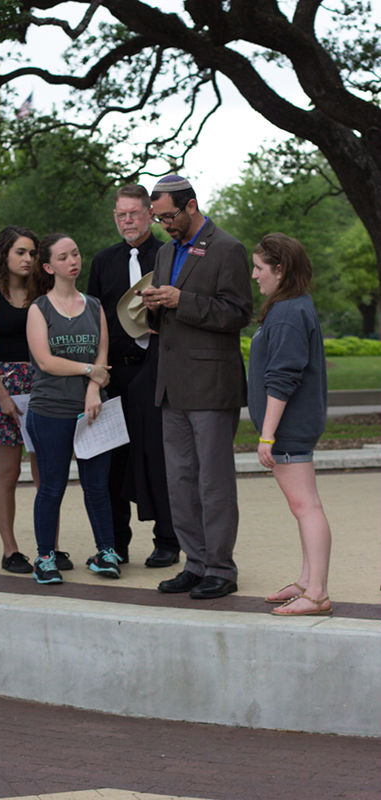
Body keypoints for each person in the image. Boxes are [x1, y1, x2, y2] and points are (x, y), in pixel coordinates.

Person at [141, 174, 252, 599]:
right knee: (181, 480)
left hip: (211, 384)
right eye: (157, 218)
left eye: (167, 216)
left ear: (190, 206)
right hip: (172, 385)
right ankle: (196, 562)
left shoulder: (228, 248)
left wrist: (179, 301)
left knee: (214, 482)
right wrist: (153, 307)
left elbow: (238, 313)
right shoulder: (167, 252)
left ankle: (221, 569)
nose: (162, 225)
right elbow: (166, 317)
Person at [88, 184, 179, 567]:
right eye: (120, 215)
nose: (127, 221)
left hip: (157, 371)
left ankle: (168, 541)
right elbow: (94, 318)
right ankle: (116, 544)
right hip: (117, 374)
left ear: (149, 214)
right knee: (115, 461)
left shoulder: (170, 254)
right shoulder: (103, 261)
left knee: (160, 457)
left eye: (134, 214)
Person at [0, 226, 72, 575]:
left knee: (46, 473)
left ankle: (51, 546)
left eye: (32, 253)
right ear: (4, 254)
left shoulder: (42, 295)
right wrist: (0, 394)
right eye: (20, 252)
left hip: (42, 385)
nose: (28, 259)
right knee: (9, 473)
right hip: (4, 388)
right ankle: (11, 549)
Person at [25, 233, 122, 584]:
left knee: (97, 485)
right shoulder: (39, 309)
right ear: (50, 267)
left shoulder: (94, 306)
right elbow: (46, 361)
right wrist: (87, 373)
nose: (73, 261)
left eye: (76, 253)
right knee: (52, 486)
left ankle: (106, 552)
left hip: (93, 411)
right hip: (50, 410)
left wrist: (94, 390)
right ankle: (45, 557)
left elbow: (102, 356)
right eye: (64, 257)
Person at [248, 233, 332, 616]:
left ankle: (316, 593)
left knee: (306, 507)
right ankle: (306, 581)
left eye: (260, 268)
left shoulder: (288, 314)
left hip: (290, 429)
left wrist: (267, 435)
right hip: (294, 427)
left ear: (280, 270)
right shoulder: (292, 307)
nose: (254, 275)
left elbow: (282, 379)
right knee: (305, 506)